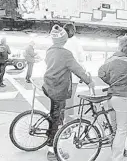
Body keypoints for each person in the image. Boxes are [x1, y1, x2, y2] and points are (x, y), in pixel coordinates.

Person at [42, 25, 95, 160]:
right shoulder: (65, 54)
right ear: (64, 39)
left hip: (48, 86)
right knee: (58, 119)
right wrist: (89, 81)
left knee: (54, 114)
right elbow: (77, 69)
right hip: (58, 89)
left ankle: (50, 134)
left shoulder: (50, 50)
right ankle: (52, 151)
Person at [63, 23, 86, 121]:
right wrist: (82, 74)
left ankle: (63, 121)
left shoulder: (63, 41)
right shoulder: (76, 42)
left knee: (63, 100)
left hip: (64, 75)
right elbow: (81, 59)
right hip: (73, 76)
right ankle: (68, 123)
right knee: (69, 100)